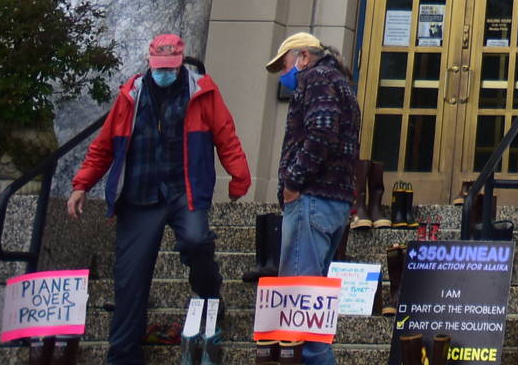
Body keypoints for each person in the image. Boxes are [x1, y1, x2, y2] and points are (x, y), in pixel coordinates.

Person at [68, 33, 251, 365]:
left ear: (180, 63)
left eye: (170, 66)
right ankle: (123, 356)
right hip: (139, 195)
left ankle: (210, 295)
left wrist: (239, 177)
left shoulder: (202, 91)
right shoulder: (131, 95)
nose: (164, 72)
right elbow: (104, 144)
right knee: (130, 276)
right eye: (159, 66)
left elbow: (226, 135)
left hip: (186, 189)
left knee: (198, 242)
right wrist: (81, 184)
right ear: (150, 63)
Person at [267, 31, 362, 365]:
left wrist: (293, 181)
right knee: (312, 311)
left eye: (285, 64)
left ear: (303, 57)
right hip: (334, 201)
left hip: (312, 200)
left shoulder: (316, 79)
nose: (284, 74)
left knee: (299, 314)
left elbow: (322, 132)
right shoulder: (340, 83)